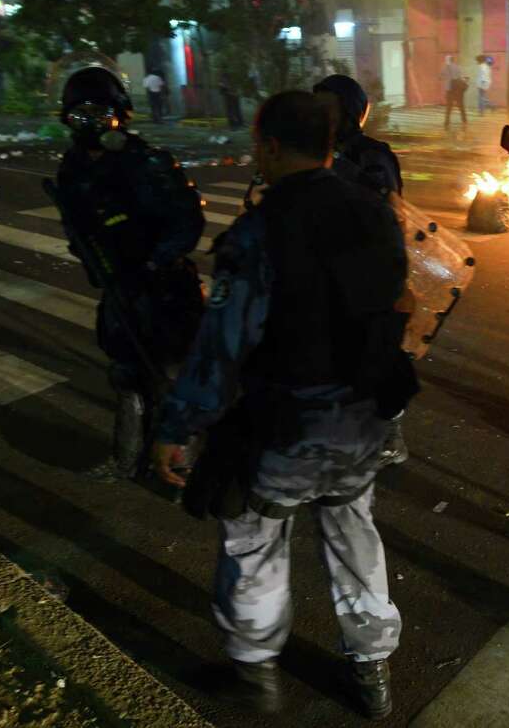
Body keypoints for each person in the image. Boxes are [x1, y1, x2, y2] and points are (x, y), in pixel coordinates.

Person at [151, 91, 411, 718]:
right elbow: (398, 307)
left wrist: (180, 426)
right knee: (354, 534)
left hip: (284, 430)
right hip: (363, 422)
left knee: (254, 541)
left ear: (267, 146)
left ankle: (254, 669)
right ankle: (372, 667)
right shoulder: (376, 213)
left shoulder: (257, 233)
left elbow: (222, 346)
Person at [52, 66, 205, 483]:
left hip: (164, 289)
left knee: (170, 377)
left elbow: (187, 222)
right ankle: (127, 458)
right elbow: (78, 228)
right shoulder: (74, 169)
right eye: (80, 114)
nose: (91, 124)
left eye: (100, 114)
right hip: (120, 289)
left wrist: (153, 264)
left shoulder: (147, 164)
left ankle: (180, 462)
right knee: (126, 374)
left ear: (120, 115)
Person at [313, 73, 410, 466]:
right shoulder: (308, 149)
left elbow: (390, 212)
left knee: (375, 355)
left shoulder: (372, 155)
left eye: (327, 107)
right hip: (321, 272)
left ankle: (390, 433)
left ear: (350, 113)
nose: (317, 113)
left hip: (364, 272)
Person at [440, 54, 468, 131]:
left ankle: (447, 122)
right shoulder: (458, 67)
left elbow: (440, 76)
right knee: (461, 105)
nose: (445, 61)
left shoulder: (445, 68)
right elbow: (461, 77)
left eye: (446, 60)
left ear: (448, 60)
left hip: (450, 89)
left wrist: (445, 77)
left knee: (449, 106)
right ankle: (464, 120)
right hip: (458, 90)